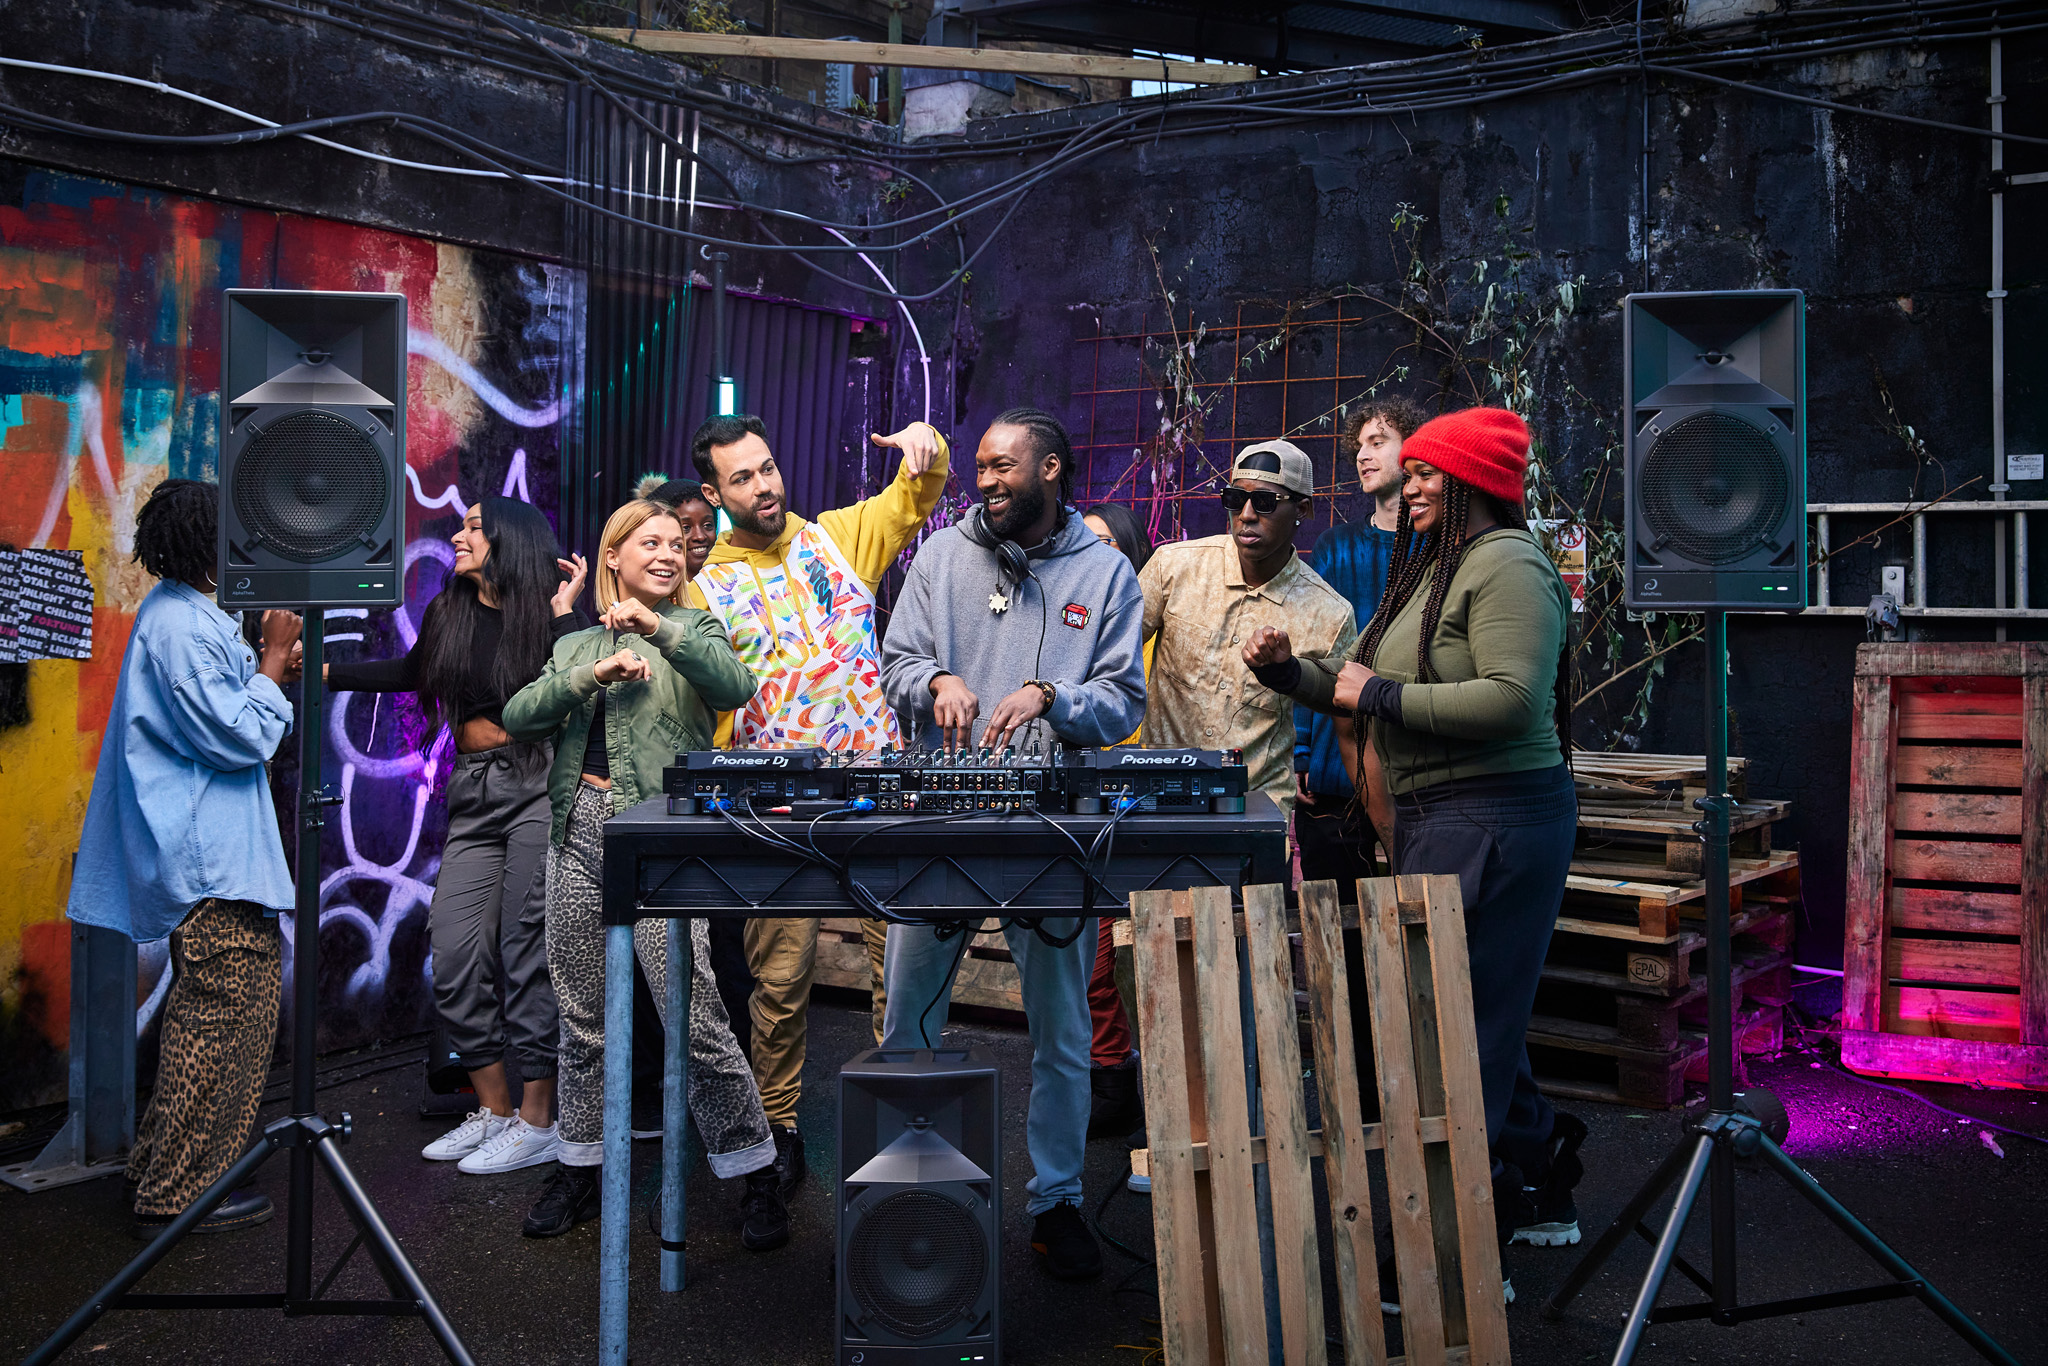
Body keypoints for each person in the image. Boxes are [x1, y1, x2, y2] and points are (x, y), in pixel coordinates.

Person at [1242, 406, 1588, 1277]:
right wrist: (1291, 674)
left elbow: (1513, 699)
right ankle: (1536, 1178)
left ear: (1475, 482)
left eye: (1431, 472)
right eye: (1416, 468)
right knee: (1458, 1020)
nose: (1413, 482)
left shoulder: (1508, 564)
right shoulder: (1434, 568)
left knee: (1458, 1037)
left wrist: (1379, 700)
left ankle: (1457, 1260)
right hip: (1443, 815)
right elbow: (1358, 675)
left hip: (1498, 817)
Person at [879, 407, 1146, 1282]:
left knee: (1062, 1033)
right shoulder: (939, 559)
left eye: (1003, 466)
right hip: (940, 824)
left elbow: (1123, 700)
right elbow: (895, 664)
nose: (986, 481)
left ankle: (1056, 1202)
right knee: (910, 1019)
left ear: (1052, 470)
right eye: (982, 467)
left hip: (1050, 831)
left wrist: (1053, 697)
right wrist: (936, 679)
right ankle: (909, 1193)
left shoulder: (1105, 573)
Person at [501, 499, 785, 1247]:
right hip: (577, 834)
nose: (667, 552)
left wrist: (658, 630)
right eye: (648, 542)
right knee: (582, 1019)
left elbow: (734, 687)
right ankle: (579, 1167)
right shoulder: (576, 644)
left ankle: (756, 1174)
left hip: (660, 840)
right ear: (613, 557)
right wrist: (591, 673)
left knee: (694, 1017)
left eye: (675, 543)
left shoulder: (695, 627)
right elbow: (521, 715)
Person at [682, 413, 950, 1201]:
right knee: (779, 982)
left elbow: (916, 494)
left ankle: (905, 1122)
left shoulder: (837, 537)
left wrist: (925, 444)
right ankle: (777, 1135)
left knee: (901, 969)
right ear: (714, 493)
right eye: (742, 478)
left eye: (766, 467)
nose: (763, 486)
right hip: (778, 812)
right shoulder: (702, 587)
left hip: (879, 798)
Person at [324, 497, 587, 1176]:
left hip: (536, 785)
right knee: (454, 952)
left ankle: (540, 1120)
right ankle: (495, 1110)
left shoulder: (545, 615)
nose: (459, 536)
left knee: (525, 951)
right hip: (472, 793)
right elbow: (411, 674)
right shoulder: (451, 610)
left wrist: (567, 613)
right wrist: (324, 673)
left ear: (508, 539)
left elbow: (585, 681)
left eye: (473, 527)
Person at [69, 479, 301, 1237]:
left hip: (211, 859)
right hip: (211, 865)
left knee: (210, 1020)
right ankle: (178, 1195)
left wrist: (262, 671)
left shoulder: (182, 615)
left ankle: (164, 1169)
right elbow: (240, 735)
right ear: (211, 546)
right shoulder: (183, 627)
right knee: (222, 1024)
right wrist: (271, 661)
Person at [1138, 439, 1356, 821]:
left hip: (1254, 810)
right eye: (1236, 499)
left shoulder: (1329, 614)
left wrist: (1289, 673)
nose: (1247, 514)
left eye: (1266, 502)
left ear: (1302, 509)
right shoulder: (1173, 567)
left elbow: (1346, 715)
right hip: (1156, 800)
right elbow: (1107, 652)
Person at [1295, 397, 1426, 888]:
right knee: (1334, 912)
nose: (1364, 455)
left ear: (1412, 450)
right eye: (1359, 446)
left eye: (1378, 442)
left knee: (1419, 905)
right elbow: (1313, 650)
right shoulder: (1336, 545)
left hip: (1413, 761)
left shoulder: (1440, 546)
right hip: (1334, 767)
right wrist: (1302, 750)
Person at [1076, 503, 1152, 1141]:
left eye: (1109, 544)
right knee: (1094, 963)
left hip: (1146, 813)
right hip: (1089, 811)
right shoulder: (1076, 624)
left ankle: (1160, 1091)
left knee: (1145, 961)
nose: (1096, 555)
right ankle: (1110, 1078)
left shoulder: (1150, 626)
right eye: (1087, 542)